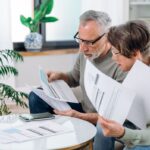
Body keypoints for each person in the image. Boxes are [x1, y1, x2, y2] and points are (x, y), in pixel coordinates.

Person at [29, 10, 126, 124]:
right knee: (35, 96)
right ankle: (46, 135)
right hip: (83, 111)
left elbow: (117, 115)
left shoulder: (121, 61)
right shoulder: (85, 52)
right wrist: (60, 76)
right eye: (80, 40)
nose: (82, 49)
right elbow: (74, 78)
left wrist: (79, 117)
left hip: (102, 121)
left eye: (89, 42)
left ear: (108, 36)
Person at [96, 20, 150, 150]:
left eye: (116, 53)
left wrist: (123, 133)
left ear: (136, 54)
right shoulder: (137, 72)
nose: (113, 58)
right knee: (101, 127)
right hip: (141, 125)